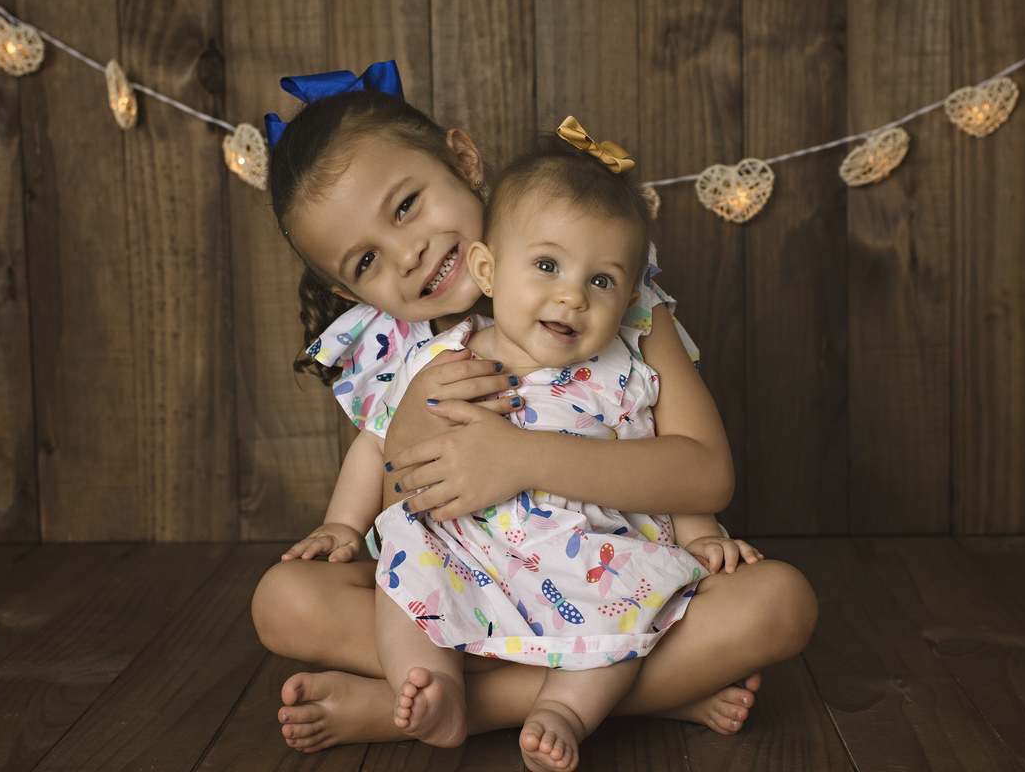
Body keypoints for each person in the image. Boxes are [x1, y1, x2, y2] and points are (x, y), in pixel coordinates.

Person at [250, 62, 818, 754]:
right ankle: (642, 690)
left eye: (405, 206)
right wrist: (378, 470)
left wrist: (521, 459)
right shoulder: (399, 350)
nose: (408, 255)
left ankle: (441, 705)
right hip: (468, 581)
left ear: (462, 159)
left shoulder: (612, 292)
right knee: (282, 601)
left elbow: (706, 478)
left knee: (781, 605)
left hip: (611, 577)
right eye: (365, 263)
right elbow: (398, 497)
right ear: (346, 293)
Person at [319, 125, 760, 771]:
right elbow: (377, 455)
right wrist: (341, 523)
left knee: (753, 602)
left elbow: (675, 464)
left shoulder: (628, 361)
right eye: (548, 266)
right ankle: (434, 683)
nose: (571, 296)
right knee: (362, 585)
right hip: (469, 559)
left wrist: (701, 538)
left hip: (592, 567)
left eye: (602, 282)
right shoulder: (442, 359)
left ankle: (550, 711)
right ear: (488, 268)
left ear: (630, 296)